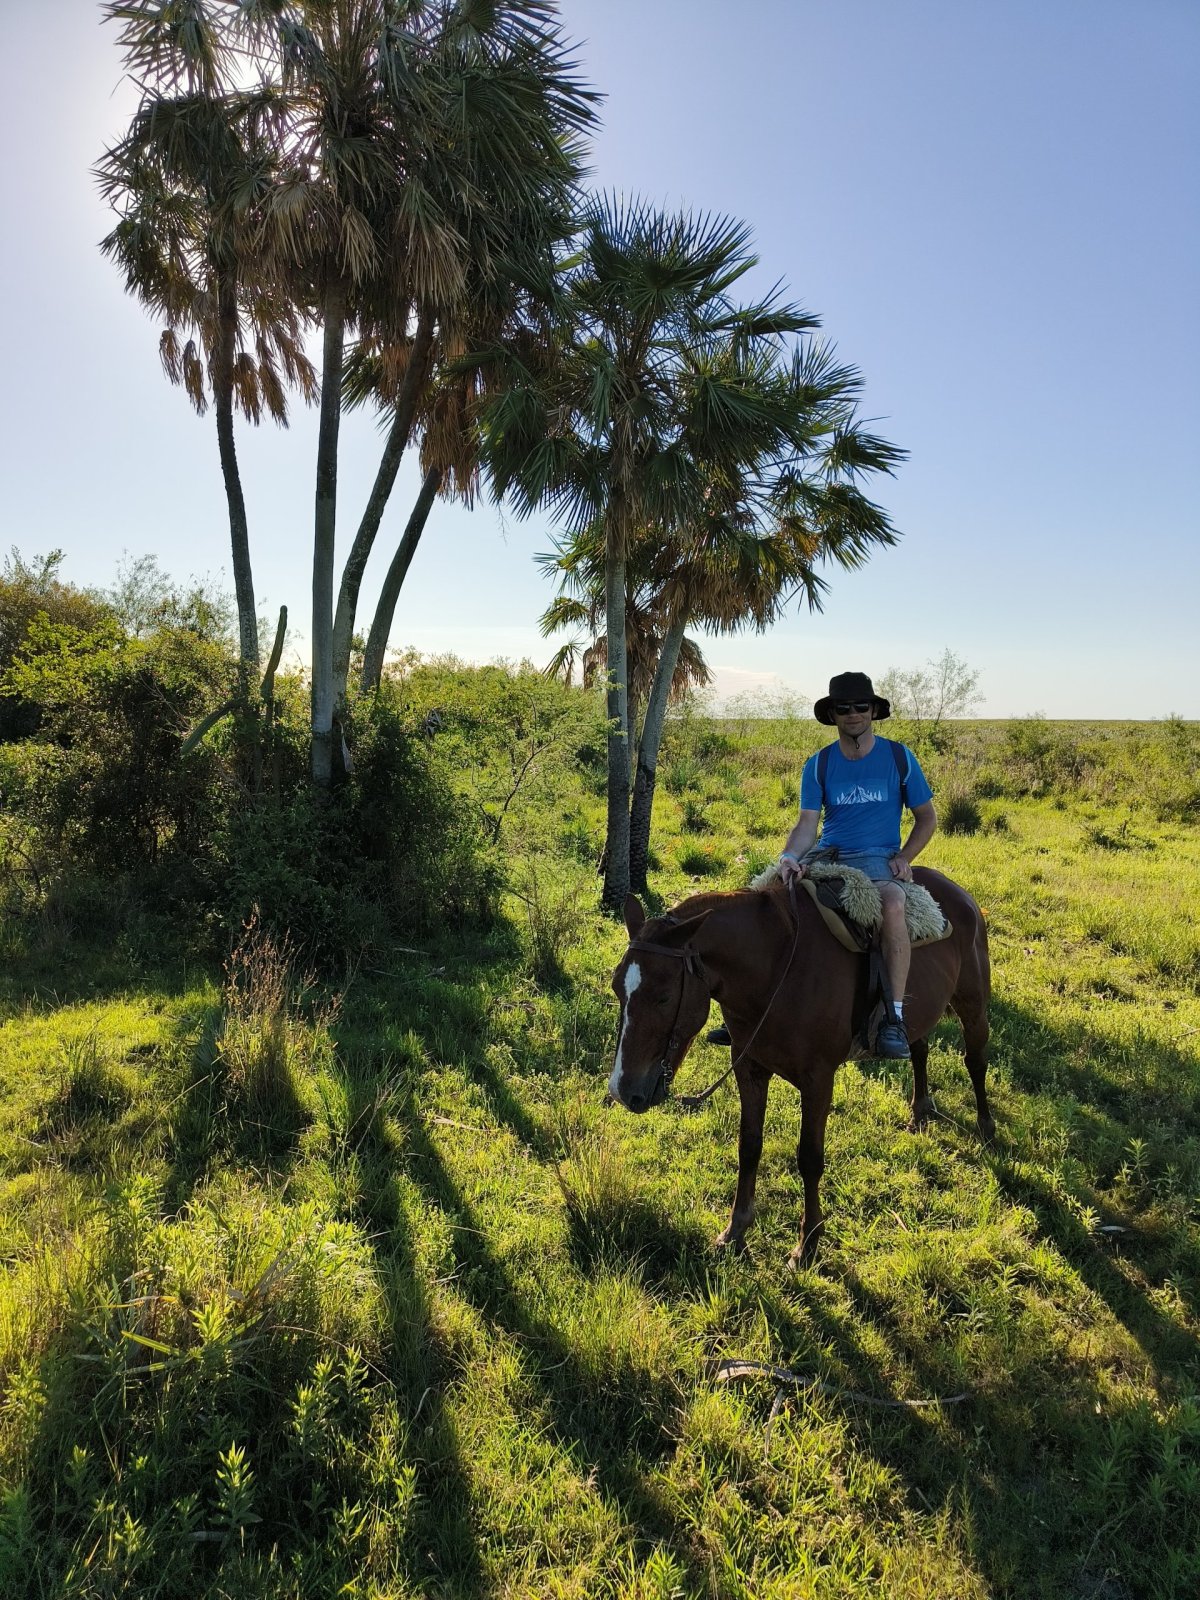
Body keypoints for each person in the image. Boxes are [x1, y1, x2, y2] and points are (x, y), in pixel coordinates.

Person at [711, 671, 936, 1059]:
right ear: (833, 715)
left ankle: (893, 1018)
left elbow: (926, 817)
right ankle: (749, 1011)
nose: (853, 714)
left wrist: (904, 857)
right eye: (843, 708)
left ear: (873, 711)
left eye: (860, 707)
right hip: (828, 855)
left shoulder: (899, 758)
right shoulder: (819, 764)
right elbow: (806, 824)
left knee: (893, 906)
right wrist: (789, 857)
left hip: (877, 859)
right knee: (764, 900)